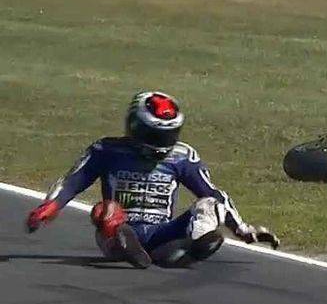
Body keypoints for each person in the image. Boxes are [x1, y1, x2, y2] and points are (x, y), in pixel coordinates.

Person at [26, 91, 279, 268]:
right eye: (155, 135)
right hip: (117, 229)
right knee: (106, 210)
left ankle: (194, 246)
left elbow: (214, 194)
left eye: (168, 135)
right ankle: (127, 243)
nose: (162, 144)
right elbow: (73, 180)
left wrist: (244, 230)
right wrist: (50, 206)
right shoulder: (107, 150)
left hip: (162, 232)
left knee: (208, 205)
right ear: (136, 126)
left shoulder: (182, 156)